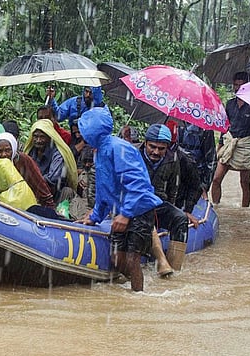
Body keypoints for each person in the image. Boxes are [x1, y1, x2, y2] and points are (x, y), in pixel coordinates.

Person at [77, 106, 162, 292]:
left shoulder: (119, 148)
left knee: (132, 259)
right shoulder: (98, 151)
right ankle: (134, 287)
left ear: (92, 131)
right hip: (120, 210)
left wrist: (126, 214)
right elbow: (103, 188)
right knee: (117, 258)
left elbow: (138, 186)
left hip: (139, 210)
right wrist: (95, 216)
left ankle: (139, 295)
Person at [139, 124, 189, 271]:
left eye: (161, 149)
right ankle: (160, 260)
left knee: (180, 218)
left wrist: (174, 208)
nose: (155, 152)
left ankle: (174, 266)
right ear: (145, 143)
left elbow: (174, 188)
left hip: (159, 203)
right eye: (152, 147)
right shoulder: (134, 154)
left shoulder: (173, 159)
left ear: (167, 147)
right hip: (136, 204)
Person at [211, 72, 250, 207]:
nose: (238, 88)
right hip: (230, 143)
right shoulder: (230, 104)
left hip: (245, 146)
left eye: (241, 85)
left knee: (244, 182)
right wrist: (220, 145)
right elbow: (225, 126)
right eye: (235, 85)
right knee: (216, 179)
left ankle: (244, 211)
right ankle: (216, 207)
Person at [0, 132, 56, 209]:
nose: (4, 155)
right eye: (0, 151)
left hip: (28, 205)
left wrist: (50, 206)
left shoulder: (23, 161)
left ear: (13, 148)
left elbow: (39, 183)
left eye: (8, 150)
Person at [23, 119, 78, 200]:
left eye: (42, 137)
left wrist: (33, 180)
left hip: (53, 193)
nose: (38, 140)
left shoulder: (57, 154)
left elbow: (52, 179)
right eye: (35, 136)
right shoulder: (30, 152)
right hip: (32, 190)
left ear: (49, 137)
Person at [165, 120, 202, 228]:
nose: (157, 152)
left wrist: (187, 210)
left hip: (177, 201)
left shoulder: (185, 160)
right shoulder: (144, 155)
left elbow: (195, 186)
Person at [177, 124, 217, 200]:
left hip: (198, 176)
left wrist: (204, 186)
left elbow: (211, 160)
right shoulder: (175, 124)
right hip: (178, 173)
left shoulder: (206, 130)